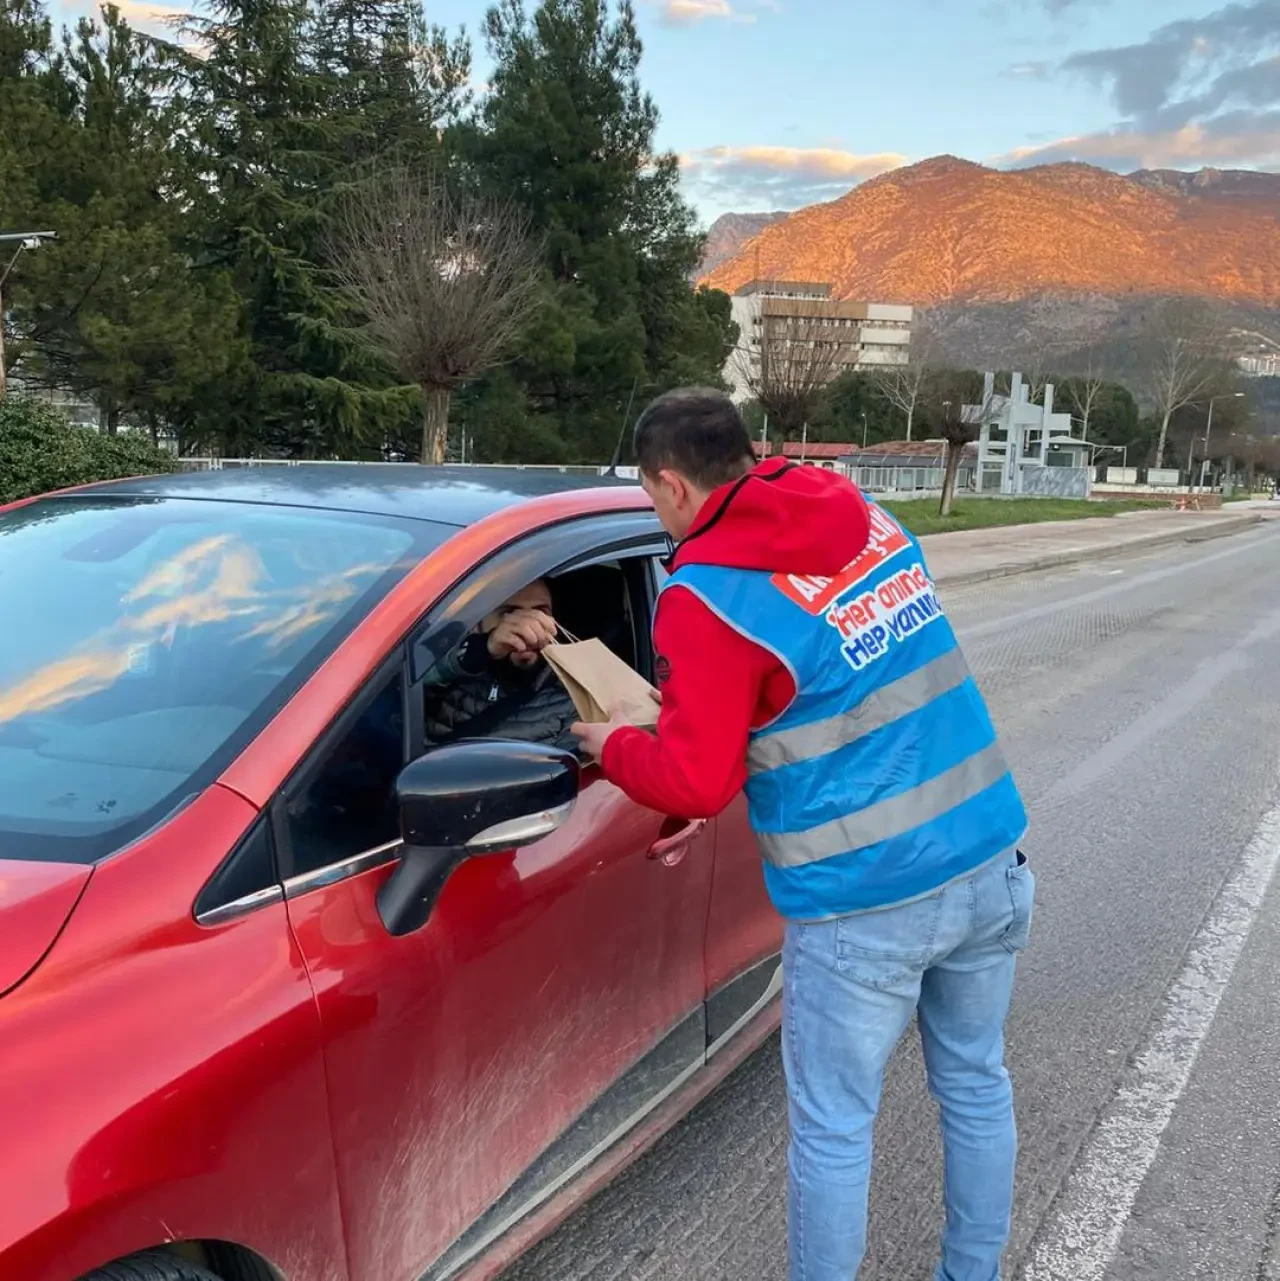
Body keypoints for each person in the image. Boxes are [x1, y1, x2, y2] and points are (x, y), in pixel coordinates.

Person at [572, 388, 1034, 1281]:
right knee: (975, 1085)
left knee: (833, 1130)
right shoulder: (870, 519)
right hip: (986, 858)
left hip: (861, 907)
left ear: (671, 485)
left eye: (648, 495)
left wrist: (616, 742)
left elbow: (698, 780)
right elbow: (836, 682)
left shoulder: (704, 597)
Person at [424, 579, 579, 754]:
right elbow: (404, 678)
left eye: (540, 613)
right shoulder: (452, 670)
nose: (527, 628)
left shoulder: (572, 699)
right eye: (509, 614)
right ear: (477, 625)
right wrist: (481, 650)